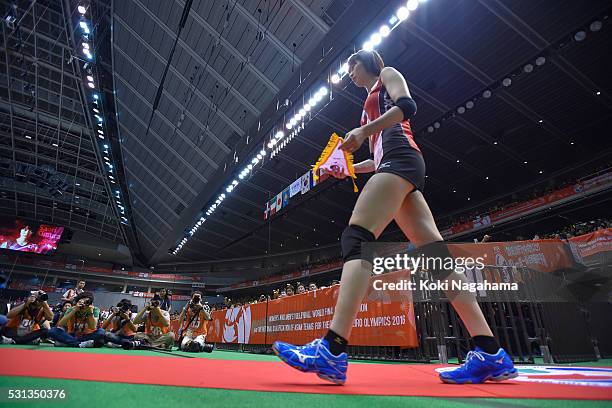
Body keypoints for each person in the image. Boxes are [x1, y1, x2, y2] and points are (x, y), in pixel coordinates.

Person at [272, 49, 516, 385]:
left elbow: (407, 107)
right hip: (396, 163)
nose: (349, 73)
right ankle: (490, 352)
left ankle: (332, 349)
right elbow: (377, 153)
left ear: (369, 61)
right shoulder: (367, 109)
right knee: (438, 261)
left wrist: (363, 132)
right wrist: (349, 168)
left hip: (401, 160)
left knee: (356, 238)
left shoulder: (387, 76)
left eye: (352, 65)